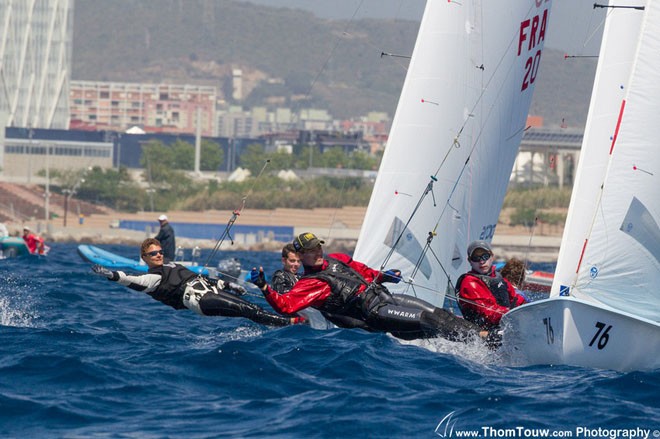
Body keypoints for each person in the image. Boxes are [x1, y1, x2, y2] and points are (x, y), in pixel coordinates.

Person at [249, 232, 485, 342]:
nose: (318, 252)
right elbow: (286, 306)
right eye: (311, 250)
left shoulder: (337, 257)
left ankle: (481, 337)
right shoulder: (310, 283)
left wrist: (384, 276)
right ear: (300, 256)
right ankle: (481, 339)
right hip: (375, 313)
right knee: (426, 319)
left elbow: (363, 272)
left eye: (318, 247)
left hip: (386, 297)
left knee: (437, 313)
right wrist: (264, 288)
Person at [91, 238, 303, 327]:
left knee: (251, 308)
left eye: (159, 251)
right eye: (152, 253)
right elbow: (132, 281)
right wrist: (111, 275)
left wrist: (229, 285)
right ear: (144, 258)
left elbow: (201, 279)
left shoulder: (172, 265)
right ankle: (291, 324)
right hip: (199, 301)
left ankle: (285, 322)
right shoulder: (153, 278)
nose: (158, 255)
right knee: (245, 309)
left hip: (209, 290)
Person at [456, 241, 527, 330]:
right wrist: (514, 315)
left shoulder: (498, 277)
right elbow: (490, 313)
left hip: (505, 325)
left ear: (492, 257)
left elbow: (515, 299)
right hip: (486, 335)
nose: (481, 261)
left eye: (485, 256)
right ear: (470, 261)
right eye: (476, 258)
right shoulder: (470, 283)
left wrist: (530, 308)